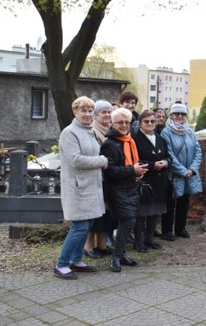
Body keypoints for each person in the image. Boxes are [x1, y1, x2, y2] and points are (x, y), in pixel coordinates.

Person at [54, 96, 108, 280]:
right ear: (75, 112)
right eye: (83, 110)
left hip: (91, 187)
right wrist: (101, 161)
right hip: (77, 189)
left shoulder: (89, 131)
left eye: (89, 111)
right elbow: (75, 160)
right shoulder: (69, 133)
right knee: (79, 226)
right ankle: (61, 264)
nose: (87, 114)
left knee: (87, 225)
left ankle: (76, 260)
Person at [101, 107, 148, 272]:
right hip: (117, 189)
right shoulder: (109, 144)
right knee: (128, 221)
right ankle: (116, 257)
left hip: (131, 186)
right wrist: (132, 170)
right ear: (112, 123)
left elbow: (131, 162)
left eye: (127, 122)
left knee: (127, 222)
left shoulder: (129, 140)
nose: (124, 125)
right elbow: (110, 171)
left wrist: (139, 167)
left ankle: (120, 254)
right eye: (120, 122)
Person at [160, 103, 203, 240]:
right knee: (170, 203)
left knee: (184, 202)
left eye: (182, 114)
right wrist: (183, 171)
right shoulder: (166, 132)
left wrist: (192, 169)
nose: (179, 116)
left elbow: (198, 151)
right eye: (176, 114)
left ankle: (180, 228)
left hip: (188, 173)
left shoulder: (190, 131)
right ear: (171, 115)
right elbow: (169, 155)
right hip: (173, 175)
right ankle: (167, 231)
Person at [132, 110, 170, 252]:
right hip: (144, 180)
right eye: (146, 121)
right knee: (141, 213)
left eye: (152, 121)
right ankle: (138, 241)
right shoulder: (135, 139)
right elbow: (135, 160)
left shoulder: (160, 139)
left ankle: (149, 239)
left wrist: (165, 163)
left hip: (159, 180)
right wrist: (153, 165)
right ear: (140, 123)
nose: (149, 124)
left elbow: (168, 156)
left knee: (155, 212)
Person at [83, 99, 114, 259]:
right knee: (94, 214)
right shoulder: (94, 131)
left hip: (107, 178)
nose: (108, 115)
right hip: (96, 177)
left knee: (104, 213)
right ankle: (89, 247)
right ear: (96, 115)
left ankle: (102, 245)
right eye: (104, 112)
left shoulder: (108, 129)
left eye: (109, 111)